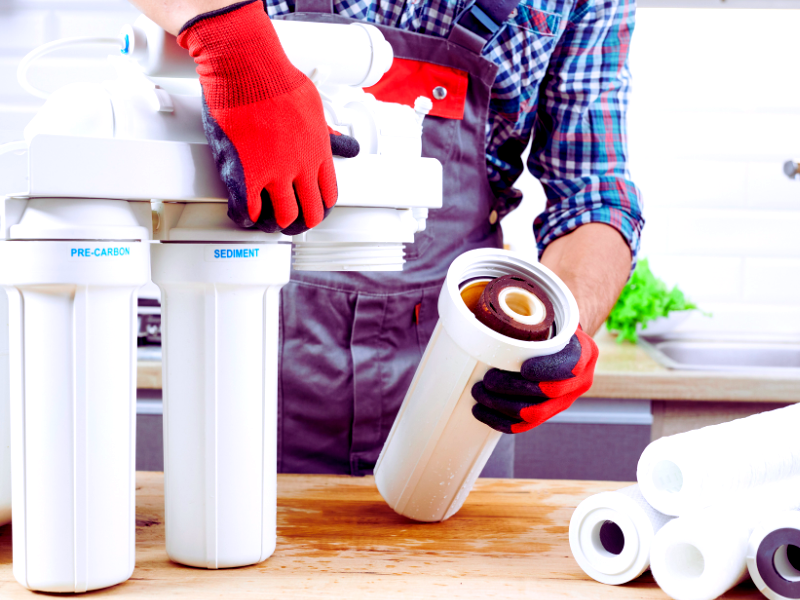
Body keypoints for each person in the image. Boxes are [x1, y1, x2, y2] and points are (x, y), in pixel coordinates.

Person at [130, 0, 643, 477]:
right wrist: (234, 44)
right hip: (241, 358)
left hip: (462, 387)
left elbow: (592, 194)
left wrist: (561, 322)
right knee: (224, 549)